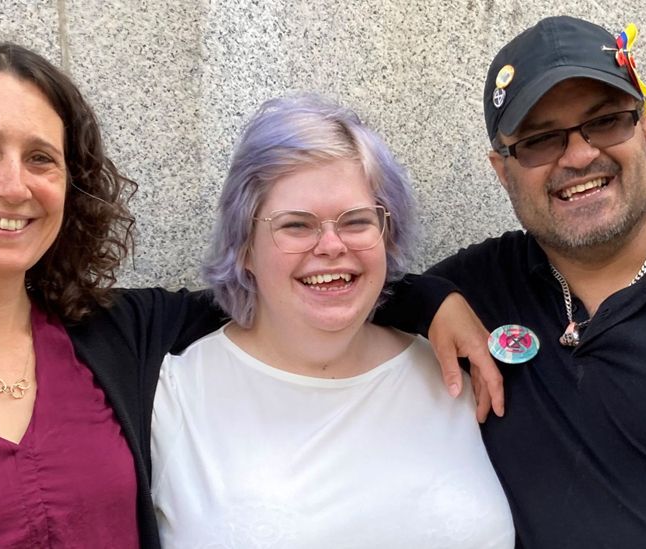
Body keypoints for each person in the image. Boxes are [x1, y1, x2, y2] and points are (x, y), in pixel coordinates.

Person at [0, 43, 499, 548]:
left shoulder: (118, 336)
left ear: (68, 187)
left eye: (41, 157)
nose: (14, 184)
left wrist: (432, 299)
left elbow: (302, 299)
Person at [425, 16, 646, 547]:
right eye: (541, 139)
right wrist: (429, 302)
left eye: (607, 121)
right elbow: (351, 293)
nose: (579, 154)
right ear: (502, 170)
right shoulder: (482, 286)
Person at [150, 95, 515, 548]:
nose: (330, 245)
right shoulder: (173, 396)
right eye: (296, 226)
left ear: (387, 233)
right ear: (244, 247)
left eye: (357, 221)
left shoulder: (453, 369)